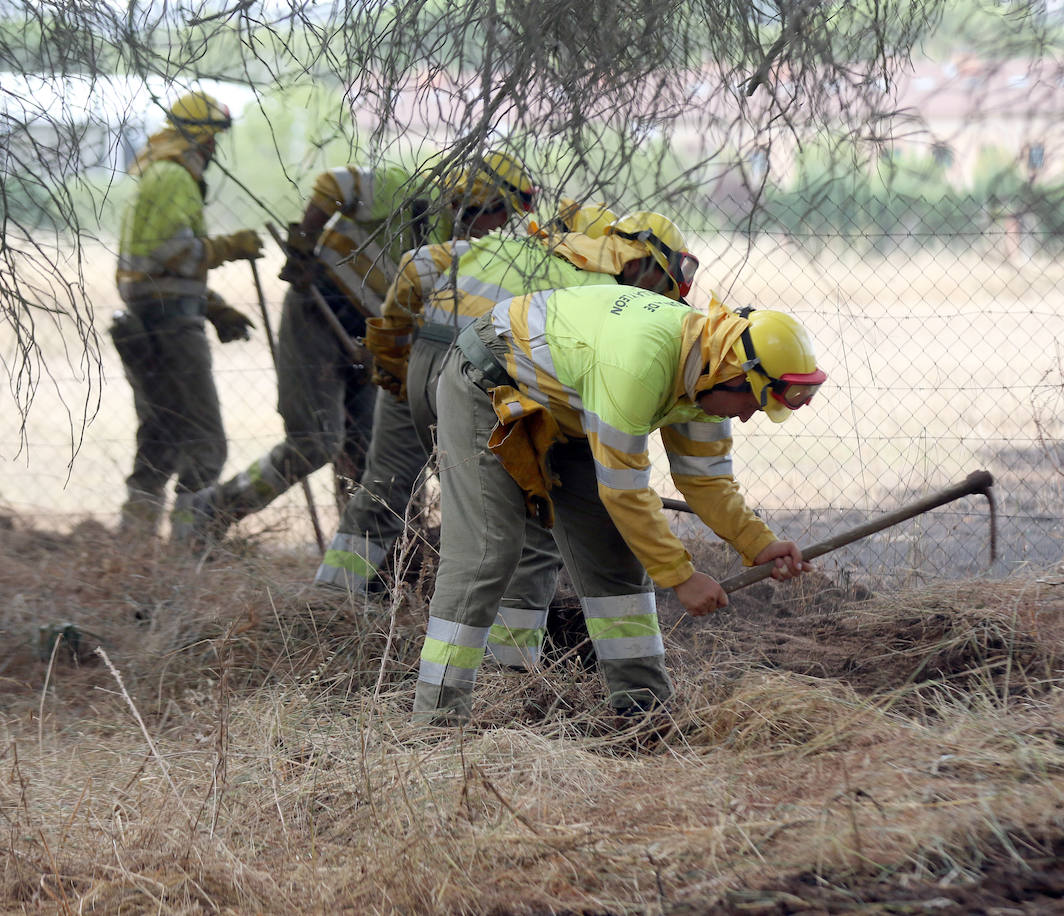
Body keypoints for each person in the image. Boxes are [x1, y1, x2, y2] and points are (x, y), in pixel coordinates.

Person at [412, 286, 827, 724]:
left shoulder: (709, 371)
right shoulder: (640, 363)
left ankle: (644, 713)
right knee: (488, 551)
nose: (745, 416)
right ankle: (437, 721)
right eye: (751, 402)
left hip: (573, 405)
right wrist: (681, 576)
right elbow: (624, 492)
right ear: (733, 373)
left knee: (613, 557)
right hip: (489, 380)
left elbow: (708, 482)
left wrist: (759, 544)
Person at [313, 208, 698, 624]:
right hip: (489, 377)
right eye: (666, 285)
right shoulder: (609, 297)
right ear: (641, 263)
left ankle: (330, 607)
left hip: (423, 355)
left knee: (385, 483)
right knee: (531, 523)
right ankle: (512, 664)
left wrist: (390, 351)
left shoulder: (507, 246)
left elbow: (415, 263)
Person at [188, 150, 535, 545]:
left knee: (371, 452)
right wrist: (304, 244)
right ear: (481, 200)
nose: (505, 226)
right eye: (504, 212)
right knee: (315, 442)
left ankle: (366, 551)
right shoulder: (404, 192)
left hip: (372, 335)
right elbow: (332, 186)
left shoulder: (462, 245)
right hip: (320, 309)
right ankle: (216, 508)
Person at [111, 89, 263, 540]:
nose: (216, 148)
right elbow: (174, 252)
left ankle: (133, 545)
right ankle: (190, 548)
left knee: (160, 438)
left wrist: (213, 307)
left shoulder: (156, 172)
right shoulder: (174, 177)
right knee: (205, 444)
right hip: (171, 326)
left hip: (148, 320)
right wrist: (229, 248)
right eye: (214, 138)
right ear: (201, 139)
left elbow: (152, 271)